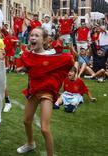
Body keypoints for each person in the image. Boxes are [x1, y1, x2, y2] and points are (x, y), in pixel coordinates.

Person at [16, 27, 73, 156]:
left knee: (45, 129)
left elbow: (69, 59)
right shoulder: (29, 55)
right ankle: (30, 143)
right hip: (33, 91)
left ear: (45, 40)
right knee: (26, 121)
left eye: (37, 35)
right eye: (31, 35)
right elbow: (32, 67)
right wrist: (23, 69)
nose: (33, 38)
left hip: (46, 94)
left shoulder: (54, 55)